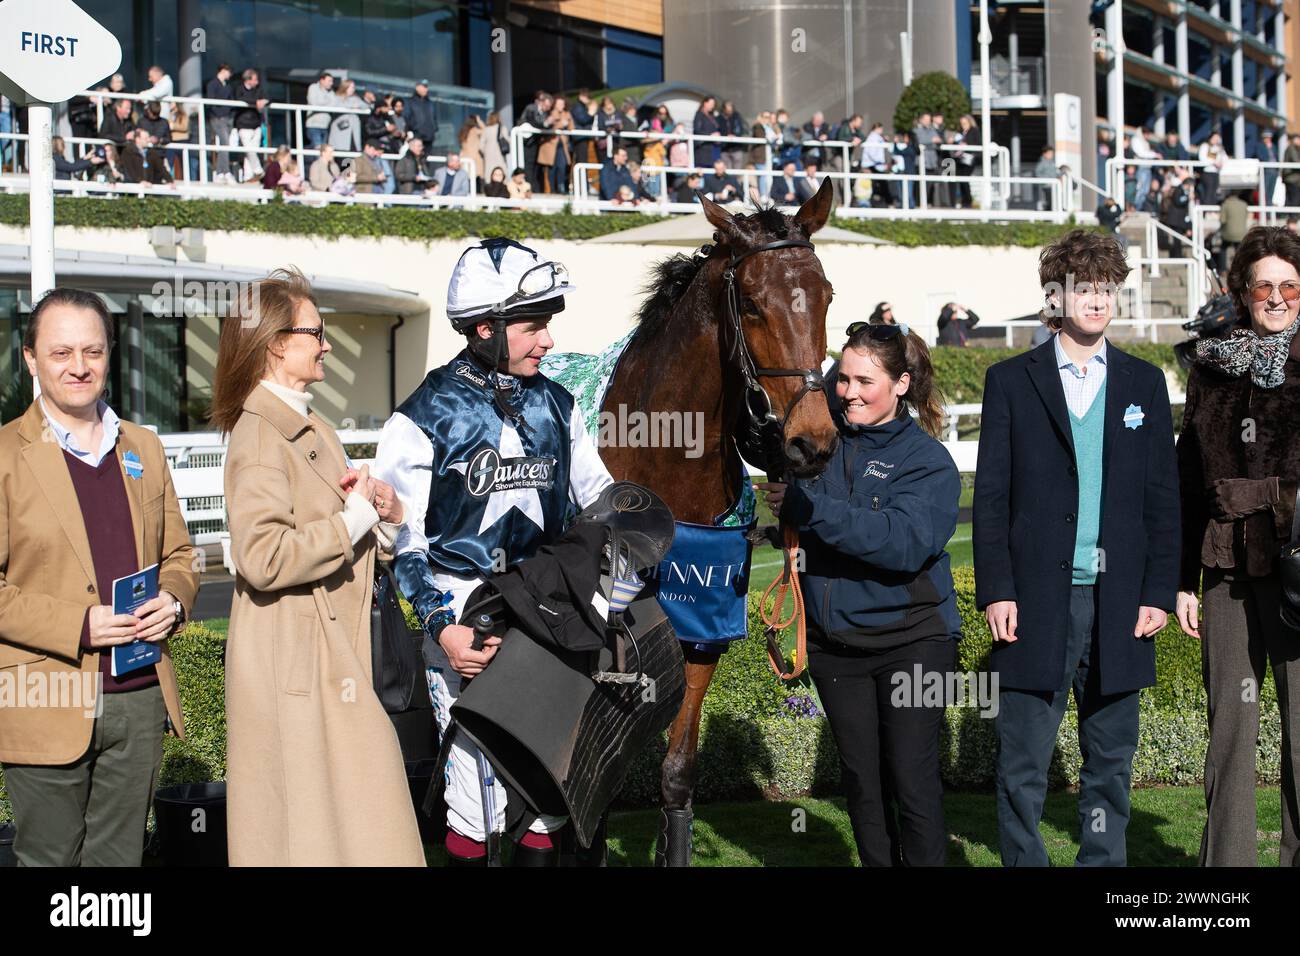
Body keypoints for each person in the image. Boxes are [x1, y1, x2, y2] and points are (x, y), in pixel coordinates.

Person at [373, 238, 613, 866]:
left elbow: (601, 499)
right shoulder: (421, 416)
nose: (548, 342)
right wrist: (441, 627)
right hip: (464, 614)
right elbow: (404, 539)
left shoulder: (561, 406)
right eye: (534, 327)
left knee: (546, 787)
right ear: (486, 327)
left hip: (548, 608)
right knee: (474, 798)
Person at [973, 228, 1181, 867]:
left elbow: (1162, 501)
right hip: (1036, 600)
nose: (1098, 301)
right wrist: (998, 590)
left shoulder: (1145, 384)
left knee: (1111, 762)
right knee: (1024, 762)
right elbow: (991, 499)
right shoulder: (1010, 381)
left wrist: (1157, 593)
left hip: (1121, 604)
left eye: (1107, 289)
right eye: (1084, 289)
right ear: (1055, 298)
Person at [211, 268, 423, 866]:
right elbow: (263, 556)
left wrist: (379, 510)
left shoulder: (308, 425)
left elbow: (334, 533)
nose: (327, 344)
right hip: (297, 662)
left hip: (324, 655)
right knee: (316, 834)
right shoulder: (260, 435)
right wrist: (356, 518)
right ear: (278, 342)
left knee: (347, 830)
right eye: (317, 332)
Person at [0, 288, 198, 866]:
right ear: (31, 359)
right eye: (61, 353)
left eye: (92, 351)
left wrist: (177, 601)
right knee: (50, 861)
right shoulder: (6, 457)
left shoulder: (144, 447)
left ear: (110, 355)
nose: (79, 367)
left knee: (119, 864)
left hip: (138, 696)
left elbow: (181, 554)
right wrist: (79, 625)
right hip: (45, 693)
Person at [758, 322, 959, 866]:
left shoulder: (928, 462)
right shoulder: (823, 444)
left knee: (912, 783)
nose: (848, 392)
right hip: (835, 647)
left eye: (864, 381)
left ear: (901, 384)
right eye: (842, 378)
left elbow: (901, 544)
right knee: (862, 786)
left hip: (914, 644)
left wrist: (810, 510)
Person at [1174, 225, 1300, 867]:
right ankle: (1227, 875)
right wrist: (1179, 579)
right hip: (1226, 571)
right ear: (1242, 291)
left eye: (1289, 285)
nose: (1276, 297)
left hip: (1299, 574)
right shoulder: (1212, 370)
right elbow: (1187, 480)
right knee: (1230, 730)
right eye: (1263, 285)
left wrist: (1266, 495)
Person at [233, 69, 269, 183]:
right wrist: (255, 102)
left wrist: (264, 102)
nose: (257, 82)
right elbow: (238, 99)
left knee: (251, 151)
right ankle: (258, 171)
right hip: (243, 125)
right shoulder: (239, 89)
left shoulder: (259, 90)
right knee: (249, 150)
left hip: (256, 125)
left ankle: (248, 177)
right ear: (248, 80)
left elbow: (268, 98)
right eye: (255, 79)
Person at [204, 64, 236, 184]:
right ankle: (224, 172)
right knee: (225, 143)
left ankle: (221, 172)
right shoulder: (212, 84)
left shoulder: (227, 86)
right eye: (229, 71)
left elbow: (232, 101)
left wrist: (230, 115)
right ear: (223, 70)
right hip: (217, 118)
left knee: (225, 144)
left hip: (227, 119)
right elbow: (211, 102)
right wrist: (219, 114)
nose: (230, 75)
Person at [519, 90, 554, 193]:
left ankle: (534, 188)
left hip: (534, 143)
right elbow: (534, 123)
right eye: (547, 106)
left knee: (533, 166)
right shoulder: (531, 108)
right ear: (541, 102)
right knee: (528, 165)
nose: (548, 108)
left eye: (549, 107)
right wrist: (546, 124)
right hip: (526, 143)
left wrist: (547, 124)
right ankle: (530, 188)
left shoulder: (544, 112)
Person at [329, 79, 365, 153]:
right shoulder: (336, 97)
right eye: (351, 87)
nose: (353, 89)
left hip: (353, 131)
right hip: (341, 131)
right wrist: (351, 107)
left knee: (351, 156)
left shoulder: (356, 98)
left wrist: (358, 106)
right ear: (345, 87)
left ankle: (347, 164)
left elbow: (365, 106)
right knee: (341, 154)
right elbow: (334, 106)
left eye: (353, 87)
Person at [1219, 191, 1250, 271]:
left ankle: (1222, 269)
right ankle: (1239, 269)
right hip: (1242, 234)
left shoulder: (1226, 205)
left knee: (1223, 248)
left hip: (1228, 234)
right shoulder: (1244, 204)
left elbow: (1222, 220)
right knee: (1239, 250)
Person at [305, 71, 336, 150]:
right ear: (322, 80)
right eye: (329, 81)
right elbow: (313, 102)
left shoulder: (331, 92)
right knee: (318, 149)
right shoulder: (313, 87)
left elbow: (334, 104)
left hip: (325, 126)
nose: (331, 83)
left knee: (322, 150)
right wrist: (327, 103)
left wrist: (322, 103)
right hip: (313, 125)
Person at [406, 80, 438, 150]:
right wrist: (411, 131)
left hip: (429, 139)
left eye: (426, 87)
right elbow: (407, 118)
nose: (426, 89)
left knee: (427, 159)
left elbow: (434, 118)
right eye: (424, 87)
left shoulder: (430, 103)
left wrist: (434, 129)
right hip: (416, 137)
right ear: (417, 87)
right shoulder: (410, 102)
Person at [692, 96, 720, 169]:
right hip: (702, 149)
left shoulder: (712, 116)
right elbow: (697, 130)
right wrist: (710, 135)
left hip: (712, 148)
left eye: (713, 104)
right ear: (705, 103)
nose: (712, 106)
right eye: (711, 104)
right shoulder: (699, 115)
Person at [1256, 130, 1279, 207]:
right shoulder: (1260, 146)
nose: (1268, 139)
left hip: (1274, 171)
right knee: (1263, 191)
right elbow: (1261, 157)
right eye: (1266, 138)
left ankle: (1269, 210)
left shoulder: (1274, 146)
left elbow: (1277, 157)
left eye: (1269, 138)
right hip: (1266, 171)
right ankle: (1263, 210)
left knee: (1271, 192)